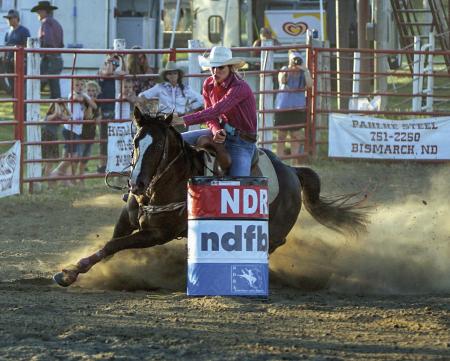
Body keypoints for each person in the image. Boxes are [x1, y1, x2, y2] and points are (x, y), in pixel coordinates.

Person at [172, 46, 257, 177]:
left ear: (231, 68)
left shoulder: (240, 87)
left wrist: (183, 119)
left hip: (242, 142)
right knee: (175, 142)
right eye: (213, 67)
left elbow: (216, 110)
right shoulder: (208, 84)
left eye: (221, 67)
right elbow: (210, 115)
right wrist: (216, 130)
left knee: (238, 185)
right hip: (224, 133)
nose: (216, 71)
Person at [50, 79, 96, 184]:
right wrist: (85, 98)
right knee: (74, 156)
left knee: (67, 155)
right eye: (77, 85)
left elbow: (94, 106)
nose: (79, 87)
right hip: (70, 129)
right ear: (73, 87)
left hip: (76, 130)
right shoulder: (72, 94)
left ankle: (64, 179)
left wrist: (86, 98)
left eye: (81, 85)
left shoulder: (84, 96)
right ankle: (57, 173)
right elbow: (76, 98)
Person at [137, 61, 203, 131]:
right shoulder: (160, 87)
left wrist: (190, 109)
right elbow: (142, 95)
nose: (172, 76)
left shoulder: (185, 88)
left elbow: (201, 100)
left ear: (178, 75)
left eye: (175, 73)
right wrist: (147, 109)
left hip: (180, 119)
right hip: (164, 119)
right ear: (166, 75)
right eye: (170, 73)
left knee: (181, 138)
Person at [274, 50, 312, 157]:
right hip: (283, 108)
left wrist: (305, 70)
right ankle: (279, 160)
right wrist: (289, 69)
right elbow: (282, 80)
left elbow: (309, 85)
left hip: (297, 108)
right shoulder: (284, 70)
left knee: (295, 135)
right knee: (281, 136)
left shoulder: (303, 73)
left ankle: (295, 160)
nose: (296, 62)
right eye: (293, 60)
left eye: (297, 59)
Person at [97, 53, 125, 173]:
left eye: (116, 64)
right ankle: (102, 165)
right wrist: (109, 62)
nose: (113, 66)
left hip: (116, 111)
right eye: (111, 63)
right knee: (104, 140)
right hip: (105, 111)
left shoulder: (117, 76)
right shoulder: (102, 74)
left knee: (117, 139)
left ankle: (116, 165)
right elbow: (106, 73)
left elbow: (124, 72)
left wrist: (122, 59)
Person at [31, 1, 64, 100]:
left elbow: (48, 40)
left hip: (49, 59)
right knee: (54, 87)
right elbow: (61, 43)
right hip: (56, 58)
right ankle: (56, 110)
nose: (38, 13)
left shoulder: (46, 22)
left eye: (39, 11)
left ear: (45, 11)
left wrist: (42, 51)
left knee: (35, 84)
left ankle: (28, 107)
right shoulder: (56, 24)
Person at [2, 10, 30, 94]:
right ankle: (15, 106)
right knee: (13, 87)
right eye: (8, 18)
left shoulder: (24, 31)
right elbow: (6, 46)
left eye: (10, 18)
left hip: (20, 63)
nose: (9, 20)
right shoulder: (8, 32)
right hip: (9, 63)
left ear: (16, 19)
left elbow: (27, 47)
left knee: (21, 86)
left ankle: (22, 106)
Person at [80, 81, 102, 183]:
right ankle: (76, 177)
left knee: (86, 156)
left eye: (93, 90)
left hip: (91, 133)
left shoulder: (98, 103)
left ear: (97, 92)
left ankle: (81, 178)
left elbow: (98, 119)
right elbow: (88, 117)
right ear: (85, 91)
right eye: (88, 90)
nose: (91, 92)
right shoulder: (83, 102)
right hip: (81, 133)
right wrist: (90, 104)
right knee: (79, 155)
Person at [41, 100, 69, 177]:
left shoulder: (59, 117)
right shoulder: (49, 117)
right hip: (47, 138)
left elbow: (70, 116)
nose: (61, 111)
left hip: (53, 138)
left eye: (61, 109)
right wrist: (56, 102)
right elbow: (57, 113)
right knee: (49, 162)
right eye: (59, 108)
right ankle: (48, 183)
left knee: (50, 162)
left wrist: (64, 106)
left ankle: (43, 174)